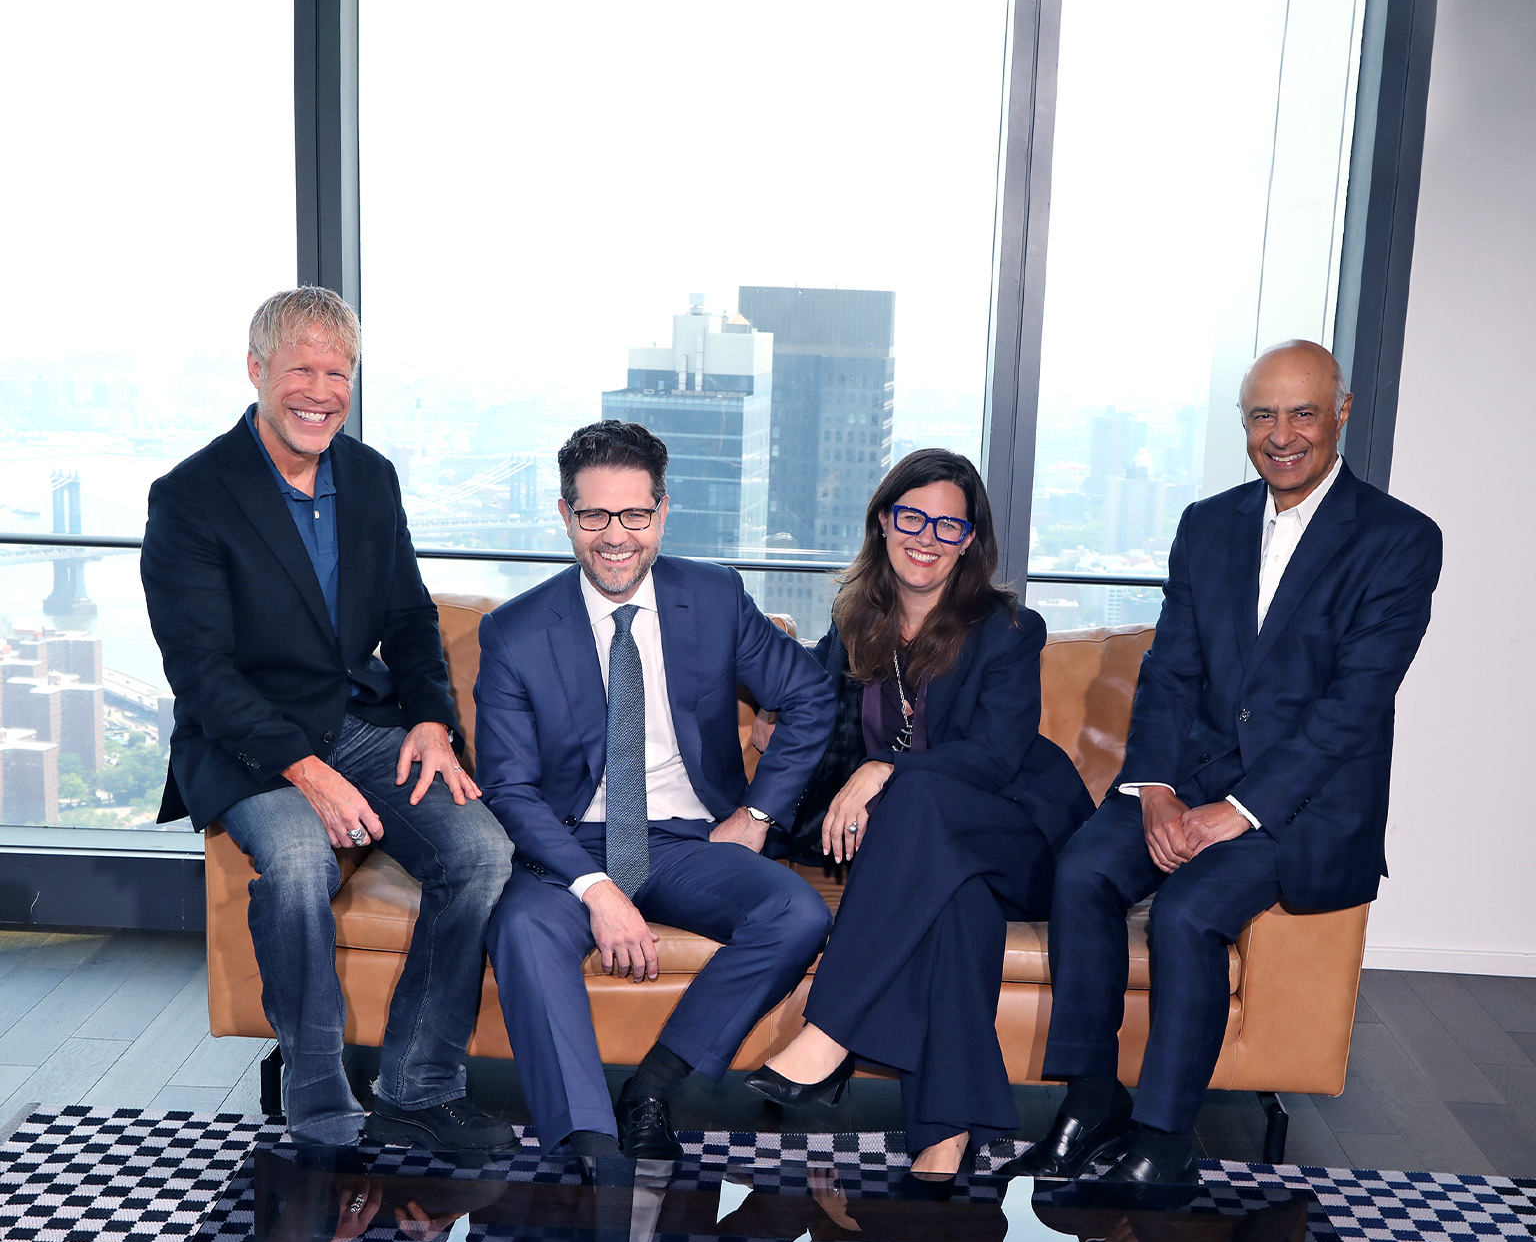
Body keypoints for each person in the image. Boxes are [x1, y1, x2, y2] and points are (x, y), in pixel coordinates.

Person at [1011, 340, 1442, 1189]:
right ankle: (1091, 1101)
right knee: (1084, 869)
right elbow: (1171, 671)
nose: (1281, 435)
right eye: (1261, 415)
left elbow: (1351, 709)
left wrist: (1238, 812)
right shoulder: (1208, 524)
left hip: (1302, 807)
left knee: (1187, 914)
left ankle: (1165, 1137)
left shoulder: (1400, 541)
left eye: (1302, 413)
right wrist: (1160, 790)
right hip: (1192, 780)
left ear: (1341, 413)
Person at [140, 287, 515, 1153]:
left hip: (356, 719)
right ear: (257, 369)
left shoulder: (370, 476)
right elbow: (200, 672)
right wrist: (307, 774)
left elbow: (413, 620)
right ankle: (317, 1099)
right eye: (300, 368)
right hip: (247, 740)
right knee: (302, 859)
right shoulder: (192, 495)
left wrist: (429, 721)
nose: (319, 389)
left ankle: (419, 1083)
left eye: (336, 372)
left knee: (481, 851)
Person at [474, 420, 837, 1162]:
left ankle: (655, 1087)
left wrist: (759, 814)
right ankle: (587, 1143)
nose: (617, 536)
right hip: (569, 844)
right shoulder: (515, 631)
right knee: (521, 930)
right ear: (565, 515)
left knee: (794, 910)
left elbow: (811, 694)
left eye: (636, 514)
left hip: (684, 839)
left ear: (662, 513)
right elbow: (509, 788)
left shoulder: (712, 595)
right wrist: (596, 888)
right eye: (595, 515)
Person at [744, 450, 1094, 1176]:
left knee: (920, 792)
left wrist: (886, 767)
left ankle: (830, 1030)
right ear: (883, 521)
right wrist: (771, 732)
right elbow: (808, 709)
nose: (927, 536)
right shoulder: (855, 624)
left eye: (948, 525)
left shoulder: (1006, 629)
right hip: (937, 863)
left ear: (969, 541)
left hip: (1017, 837)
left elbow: (996, 756)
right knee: (956, 909)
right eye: (912, 516)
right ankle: (946, 1137)